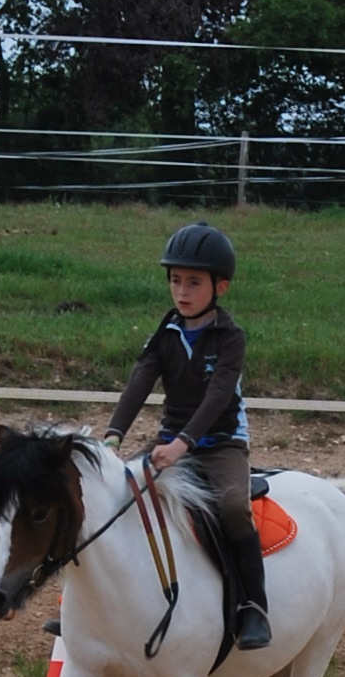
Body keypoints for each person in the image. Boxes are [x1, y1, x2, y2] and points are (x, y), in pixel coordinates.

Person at [107, 219, 272, 651]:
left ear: (221, 288)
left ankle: (253, 607)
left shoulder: (231, 338)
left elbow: (218, 396)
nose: (182, 291)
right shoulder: (165, 333)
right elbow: (139, 381)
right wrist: (112, 437)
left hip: (220, 445)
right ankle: (100, 609)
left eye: (194, 282)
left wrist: (182, 444)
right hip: (170, 443)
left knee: (235, 508)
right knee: (114, 496)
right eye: (176, 281)